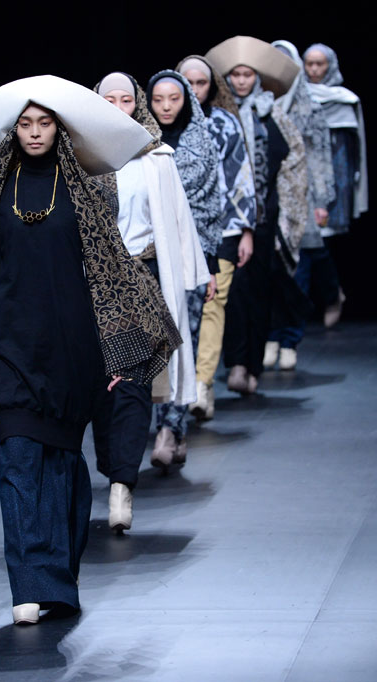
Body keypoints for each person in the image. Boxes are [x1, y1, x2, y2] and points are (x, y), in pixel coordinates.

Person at [0, 75, 180, 625]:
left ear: (60, 130)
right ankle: (28, 584)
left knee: (64, 467)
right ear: (13, 131)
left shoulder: (85, 193)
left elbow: (111, 272)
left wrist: (120, 351)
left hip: (72, 349)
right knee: (19, 460)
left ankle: (59, 579)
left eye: (44, 123)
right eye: (25, 124)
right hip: (10, 346)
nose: (34, 132)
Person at [91, 72, 209, 531]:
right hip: (91, 286)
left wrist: (196, 275)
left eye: (126, 99)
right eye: (108, 99)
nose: (118, 107)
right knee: (97, 387)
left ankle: (122, 484)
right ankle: (112, 467)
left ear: (137, 105)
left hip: (143, 280)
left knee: (134, 383)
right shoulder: (78, 157)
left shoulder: (156, 157)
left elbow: (178, 220)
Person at [205, 36, 308, 393]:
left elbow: (294, 159)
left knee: (261, 291)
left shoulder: (272, 113)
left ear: (258, 77)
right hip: (230, 217)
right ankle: (236, 363)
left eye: (247, 74)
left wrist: (287, 210)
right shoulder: (219, 115)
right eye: (235, 75)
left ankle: (253, 365)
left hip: (266, 218)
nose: (241, 81)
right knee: (233, 292)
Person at [146, 69, 221, 464]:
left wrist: (209, 267)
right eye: (158, 99)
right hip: (152, 259)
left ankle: (170, 429)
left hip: (191, 259)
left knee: (184, 339)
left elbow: (211, 208)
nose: (166, 107)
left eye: (173, 99)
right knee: (160, 345)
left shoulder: (202, 144)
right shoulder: (140, 147)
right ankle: (169, 428)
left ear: (187, 100)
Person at [176, 55, 256, 419]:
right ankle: (177, 387)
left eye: (201, 83)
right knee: (177, 307)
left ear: (212, 86)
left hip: (222, 226)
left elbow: (241, 177)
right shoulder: (159, 125)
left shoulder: (224, 123)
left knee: (213, 301)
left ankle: (202, 384)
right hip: (174, 228)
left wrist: (246, 229)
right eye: (188, 82)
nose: (194, 89)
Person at [263, 39, 336, 370]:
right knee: (269, 272)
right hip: (267, 200)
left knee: (297, 271)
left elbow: (320, 156)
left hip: (300, 199)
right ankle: (271, 336)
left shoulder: (308, 107)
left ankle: (290, 339)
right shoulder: (257, 106)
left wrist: (321, 201)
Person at [303, 43, 368, 328]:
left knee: (320, 242)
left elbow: (350, 150)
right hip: (303, 176)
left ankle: (329, 296)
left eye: (320, 64)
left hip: (333, 179)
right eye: (309, 63)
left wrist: (343, 189)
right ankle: (324, 298)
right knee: (308, 244)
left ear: (330, 66)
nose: (314, 69)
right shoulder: (297, 97)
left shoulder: (344, 100)